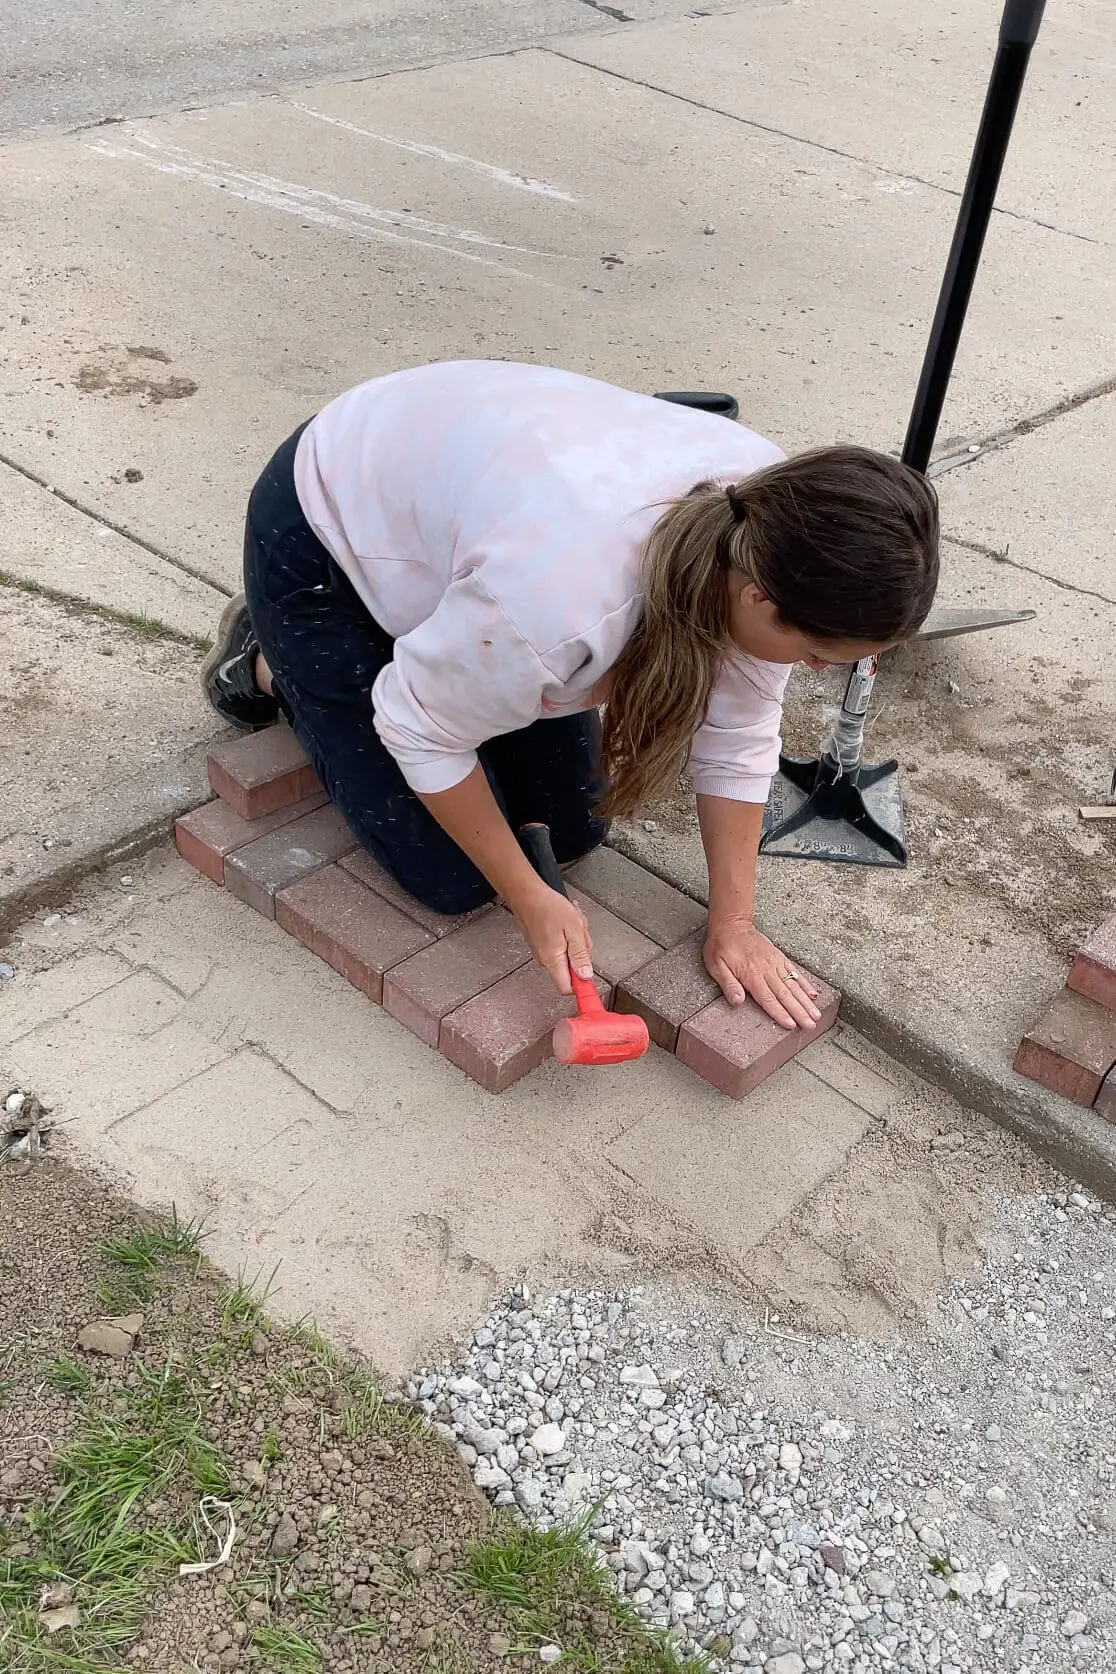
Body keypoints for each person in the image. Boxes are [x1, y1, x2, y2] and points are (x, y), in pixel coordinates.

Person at [203, 361, 938, 1031]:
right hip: (326, 530)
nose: (812, 671)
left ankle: (453, 659)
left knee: (574, 826)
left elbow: (739, 735)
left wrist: (735, 924)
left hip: (475, 529)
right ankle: (269, 660)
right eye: (814, 653)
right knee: (454, 877)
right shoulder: (561, 607)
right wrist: (527, 897)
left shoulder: (780, 533)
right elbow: (419, 731)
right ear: (757, 598)